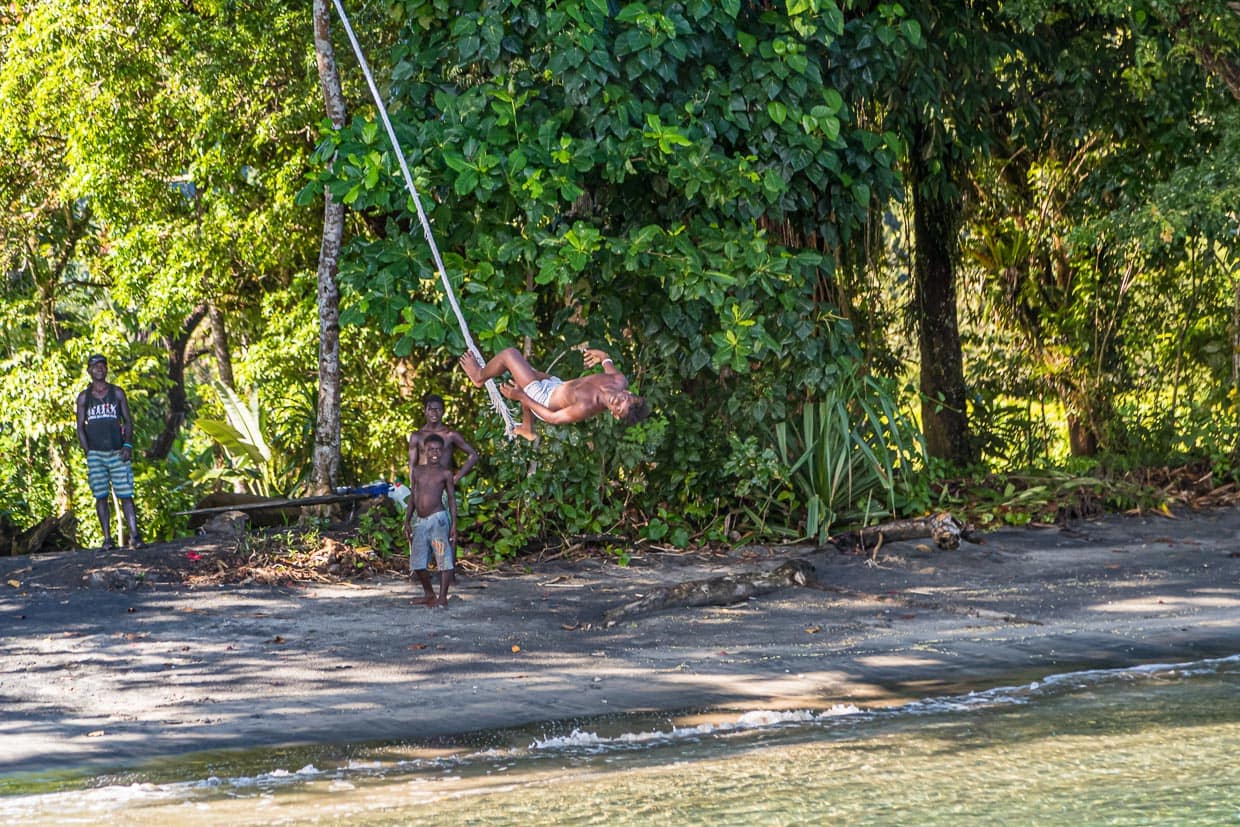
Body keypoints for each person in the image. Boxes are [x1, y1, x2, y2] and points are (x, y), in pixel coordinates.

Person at [458, 345, 649, 441]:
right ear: (627, 392)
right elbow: (607, 362)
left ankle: (479, 377)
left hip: (543, 398)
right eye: (623, 398)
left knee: (510, 355)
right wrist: (602, 356)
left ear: (615, 415)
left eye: (617, 407)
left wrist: (522, 397)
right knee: (524, 371)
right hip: (557, 385)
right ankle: (527, 428)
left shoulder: (586, 407)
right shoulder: (618, 380)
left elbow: (552, 418)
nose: (617, 400)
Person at [75, 353, 144, 549]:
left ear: (106, 369)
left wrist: (127, 445)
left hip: (117, 451)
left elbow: (128, 421)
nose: (99, 369)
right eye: (95, 366)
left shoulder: (117, 393)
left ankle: (135, 537)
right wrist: (88, 451)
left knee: (126, 495)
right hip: (96, 454)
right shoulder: (84, 397)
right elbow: (80, 426)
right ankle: (107, 539)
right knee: (101, 496)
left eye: (102, 365)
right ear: (89, 371)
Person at [404, 434, 457, 608]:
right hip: (420, 521)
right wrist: (407, 520)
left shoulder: (445, 473)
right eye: (431, 449)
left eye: (438, 450)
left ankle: (442, 597)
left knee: (444, 560)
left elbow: (451, 499)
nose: (435, 453)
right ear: (425, 451)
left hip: (438, 520)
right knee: (418, 563)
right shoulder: (417, 471)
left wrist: (454, 524)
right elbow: (413, 496)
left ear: (443, 451)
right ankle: (429, 593)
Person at [408, 393, 479, 485]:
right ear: (425, 411)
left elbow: (473, 455)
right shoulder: (417, 436)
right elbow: (412, 465)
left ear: (443, 411)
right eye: (430, 409)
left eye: (438, 409)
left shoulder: (450, 435)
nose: (434, 413)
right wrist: (413, 487)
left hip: (443, 486)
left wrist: (456, 478)